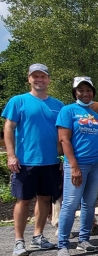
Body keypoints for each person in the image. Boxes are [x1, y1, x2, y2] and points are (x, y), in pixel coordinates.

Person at [2, 64, 63, 256]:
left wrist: (62, 157)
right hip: (26, 161)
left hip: (51, 161)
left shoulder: (58, 105)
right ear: (29, 79)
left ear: (48, 80)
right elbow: (9, 128)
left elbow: (62, 134)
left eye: (43, 77)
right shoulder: (18, 101)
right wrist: (11, 155)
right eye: (35, 76)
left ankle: (38, 236)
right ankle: (19, 241)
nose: (39, 80)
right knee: (23, 200)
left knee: (45, 199)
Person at [56, 76, 98, 256]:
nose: (85, 93)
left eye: (88, 90)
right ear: (75, 92)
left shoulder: (94, 114)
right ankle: (62, 244)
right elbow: (64, 140)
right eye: (81, 90)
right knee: (70, 203)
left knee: (89, 203)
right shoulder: (68, 111)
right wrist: (74, 166)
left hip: (97, 163)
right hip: (78, 164)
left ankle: (83, 240)